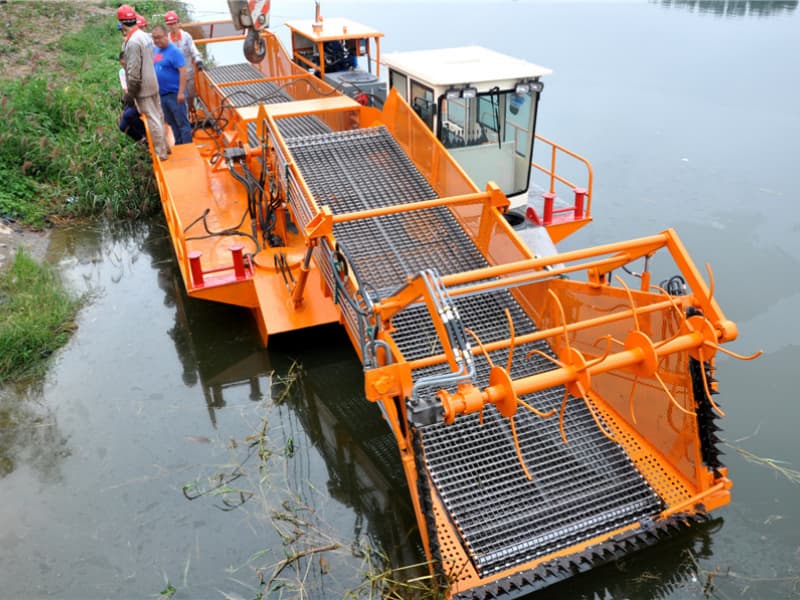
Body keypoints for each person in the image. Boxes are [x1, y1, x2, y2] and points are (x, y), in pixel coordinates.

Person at [118, 4, 169, 160]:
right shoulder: (145, 36)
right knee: (159, 115)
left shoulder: (133, 42)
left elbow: (133, 73)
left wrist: (130, 95)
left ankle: (161, 154)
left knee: (153, 119)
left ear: (122, 23)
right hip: (153, 81)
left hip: (143, 88)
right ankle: (166, 147)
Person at [151, 24, 192, 145]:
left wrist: (180, 92)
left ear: (166, 35)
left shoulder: (174, 51)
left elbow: (183, 72)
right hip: (163, 94)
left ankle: (187, 147)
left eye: (159, 37)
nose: (157, 40)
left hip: (174, 94)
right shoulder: (156, 50)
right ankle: (179, 143)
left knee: (182, 123)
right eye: (155, 38)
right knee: (171, 122)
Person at [164, 11, 203, 118]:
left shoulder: (186, 36)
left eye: (174, 23)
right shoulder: (166, 40)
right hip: (176, 76)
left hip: (189, 74)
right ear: (167, 25)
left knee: (191, 95)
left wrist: (198, 60)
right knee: (181, 99)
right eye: (170, 24)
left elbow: (193, 49)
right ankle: (185, 118)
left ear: (178, 23)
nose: (172, 26)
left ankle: (192, 109)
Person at [118, 52, 145, 142]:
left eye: (125, 65)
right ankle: (142, 139)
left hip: (143, 99)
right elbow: (126, 90)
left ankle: (146, 133)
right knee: (123, 126)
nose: (124, 67)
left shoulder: (139, 70)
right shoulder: (122, 72)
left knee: (128, 115)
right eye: (122, 65)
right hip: (132, 100)